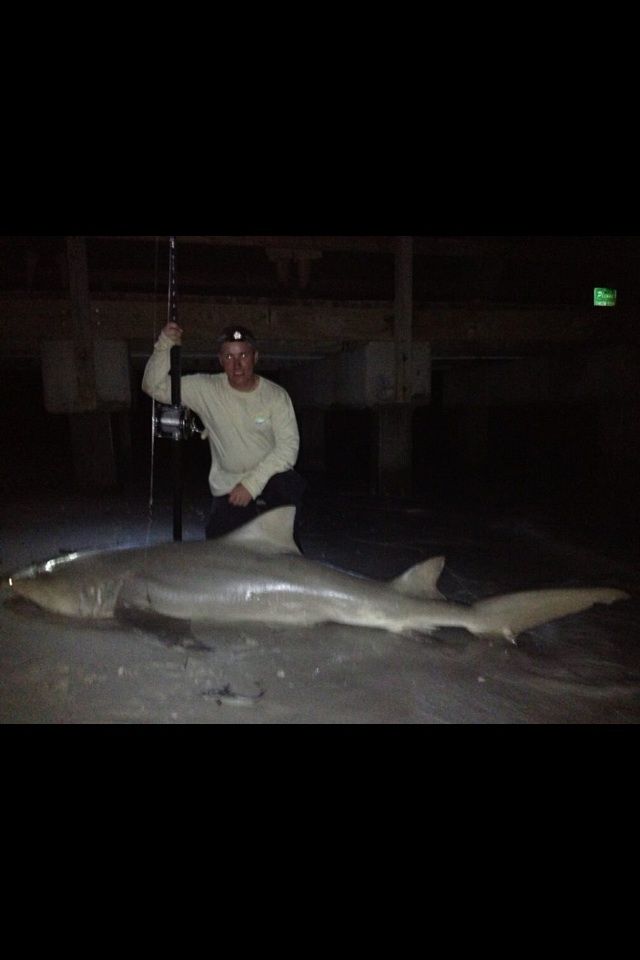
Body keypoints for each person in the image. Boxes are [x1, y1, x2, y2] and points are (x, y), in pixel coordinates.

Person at [142, 321, 305, 549]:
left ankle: (287, 548)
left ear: (255, 357)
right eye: (229, 357)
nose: (237, 365)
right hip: (230, 485)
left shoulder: (275, 396)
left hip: (270, 481)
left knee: (286, 493)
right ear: (220, 360)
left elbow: (288, 449)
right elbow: (152, 386)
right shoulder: (206, 389)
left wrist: (251, 486)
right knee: (218, 546)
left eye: (243, 355)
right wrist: (165, 344)